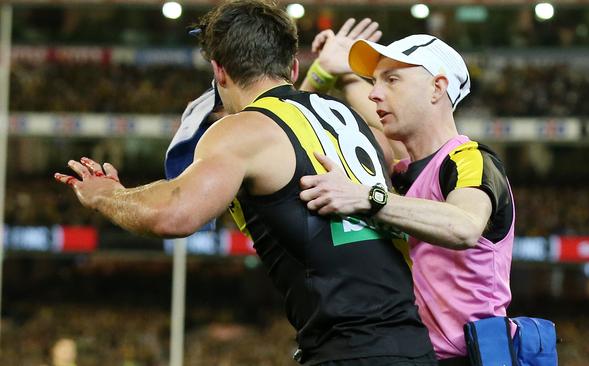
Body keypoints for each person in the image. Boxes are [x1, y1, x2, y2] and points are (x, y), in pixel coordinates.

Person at [54, 2, 436, 365]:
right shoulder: (345, 116)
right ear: (292, 67)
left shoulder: (242, 129)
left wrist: (109, 195)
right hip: (412, 339)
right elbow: (396, 154)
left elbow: (174, 214)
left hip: (352, 349)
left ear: (219, 71)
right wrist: (344, 75)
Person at [299, 34, 515, 366]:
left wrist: (368, 197)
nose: (374, 93)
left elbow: (464, 226)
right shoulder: (406, 168)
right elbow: (355, 113)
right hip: (415, 355)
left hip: (467, 358)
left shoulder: (469, 161)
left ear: (437, 88)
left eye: (392, 79)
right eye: (373, 81)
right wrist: (332, 71)